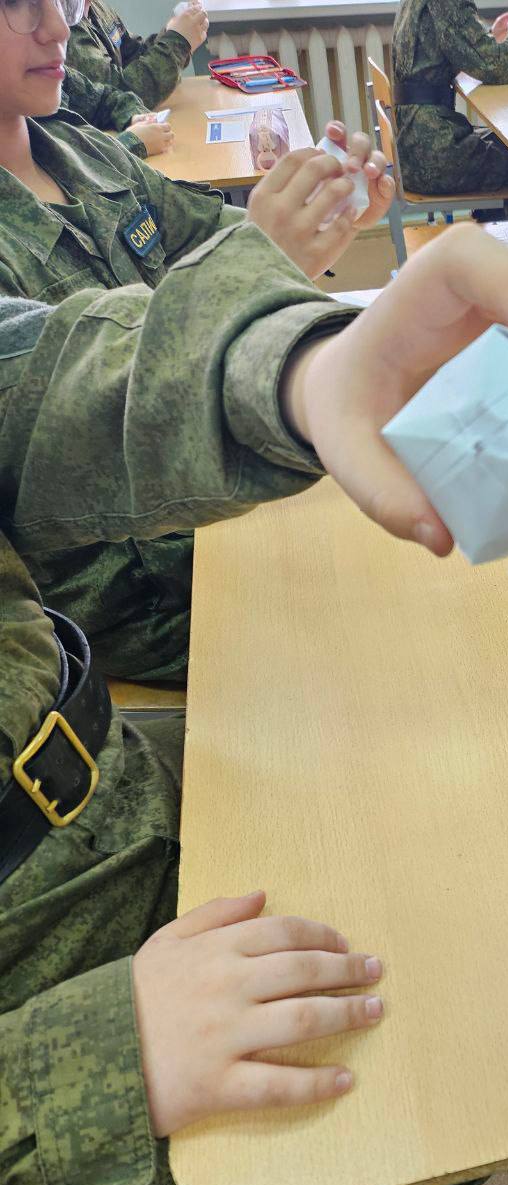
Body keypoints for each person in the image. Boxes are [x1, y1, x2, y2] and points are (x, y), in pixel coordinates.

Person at [0, 220, 508, 1185]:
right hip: (41, 996)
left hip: (121, 796)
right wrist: (83, 1063)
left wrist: (305, 367)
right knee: (432, 1100)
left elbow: (42, 378)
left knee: (501, 930)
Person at [0, 0, 394, 684]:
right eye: (15, 5)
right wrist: (259, 256)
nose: (58, 28)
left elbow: (207, 232)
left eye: (59, 1)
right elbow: (83, 395)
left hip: (227, 513)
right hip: (153, 600)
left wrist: (307, 218)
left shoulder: (77, 149)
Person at [391, 0, 508, 251]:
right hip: (433, 155)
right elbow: (499, 66)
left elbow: (449, 50)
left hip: (412, 144)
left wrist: (490, 37)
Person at [66, 0, 206, 109]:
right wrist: (177, 42)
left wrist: (175, 32)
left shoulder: (95, 7)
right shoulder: (66, 25)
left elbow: (134, 57)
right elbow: (118, 96)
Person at [59, 63, 173, 157]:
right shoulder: (51, 69)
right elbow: (69, 166)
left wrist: (132, 117)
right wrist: (131, 142)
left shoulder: (58, 73)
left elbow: (104, 99)